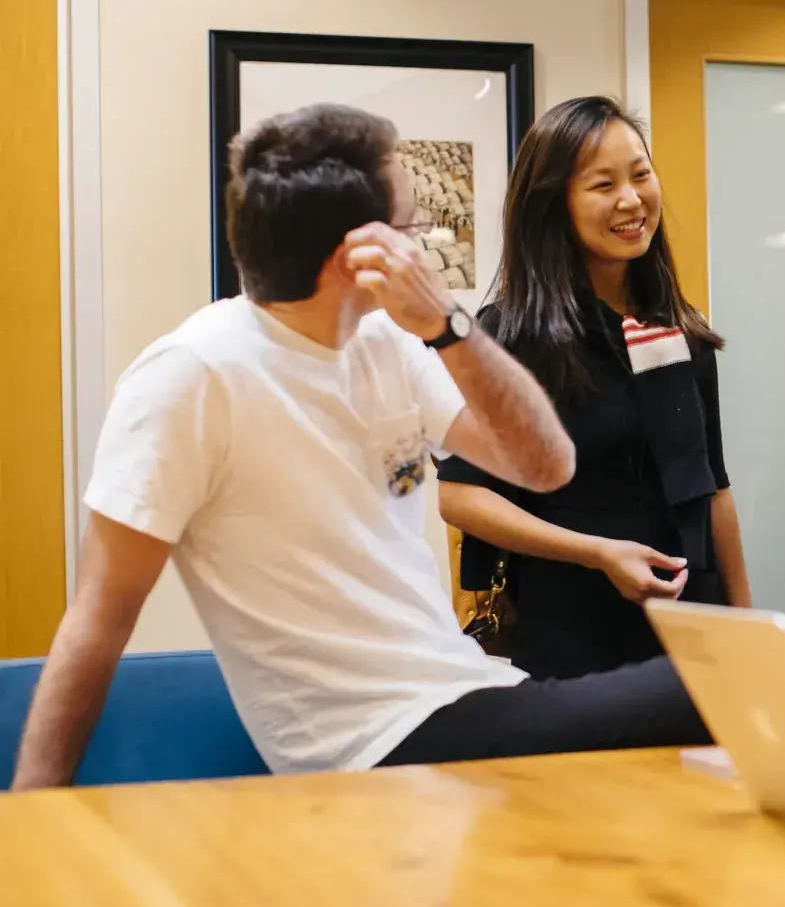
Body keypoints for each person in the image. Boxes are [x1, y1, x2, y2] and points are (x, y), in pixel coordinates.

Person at [10, 103, 711, 788]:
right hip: (369, 738)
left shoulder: (388, 343)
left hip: (464, 688)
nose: (424, 240)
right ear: (362, 256)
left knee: (706, 700)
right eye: (412, 225)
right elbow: (98, 619)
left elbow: (544, 464)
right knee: (706, 689)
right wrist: (30, 822)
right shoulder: (193, 375)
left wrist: (447, 325)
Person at [438, 96, 750, 682]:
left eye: (641, 174)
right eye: (603, 185)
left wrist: (748, 625)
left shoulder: (678, 328)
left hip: (694, 625)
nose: (631, 200)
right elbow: (460, 498)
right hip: (575, 628)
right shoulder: (512, 336)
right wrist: (597, 552)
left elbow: (714, 491)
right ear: (554, 205)